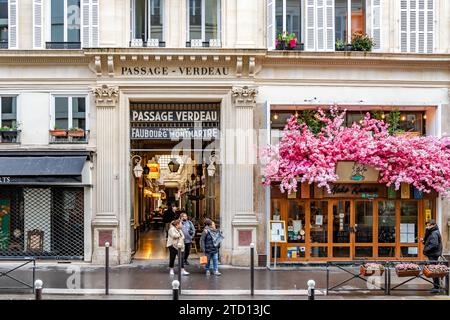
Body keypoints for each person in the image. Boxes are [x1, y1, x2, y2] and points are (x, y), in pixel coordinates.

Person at [422, 219, 443, 293]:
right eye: (427, 225)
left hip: (433, 254)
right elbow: (430, 241)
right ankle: (436, 286)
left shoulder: (434, 233)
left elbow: (434, 244)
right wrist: (424, 241)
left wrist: (426, 250)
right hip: (433, 253)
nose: (427, 227)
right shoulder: (433, 231)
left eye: (429, 225)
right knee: (434, 270)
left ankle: (436, 287)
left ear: (433, 225)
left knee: (434, 271)